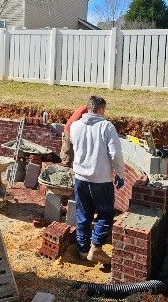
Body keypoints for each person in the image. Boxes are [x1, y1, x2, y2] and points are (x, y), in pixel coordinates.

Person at [69, 96, 124, 265]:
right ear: (100, 109)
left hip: (80, 178)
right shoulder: (106, 127)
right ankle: (96, 247)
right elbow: (115, 154)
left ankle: (83, 250)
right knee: (105, 213)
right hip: (100, 180)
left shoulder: (75, 126)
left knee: (83, 214)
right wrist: (120, 174)